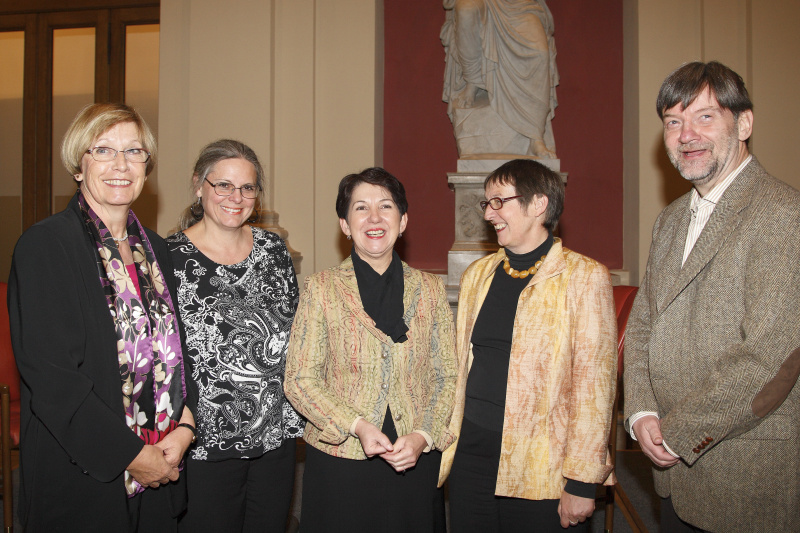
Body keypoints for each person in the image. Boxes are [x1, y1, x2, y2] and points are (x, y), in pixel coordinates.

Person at [623, 61, 800, 532]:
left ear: (743, 124)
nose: (687, 135)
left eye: (705, 117)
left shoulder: (782, 215)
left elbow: (771, 358)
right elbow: (644, 323)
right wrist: (641, 411)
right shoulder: (670, 218)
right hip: (675, 477)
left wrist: (677, 432)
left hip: (743, 470)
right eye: (673, 121)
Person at [8, 103, 196, 532]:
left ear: (147, 166)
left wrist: (185, 428)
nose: (121, 164)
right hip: (87, 470)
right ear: (78, 164)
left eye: (134, 152)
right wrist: (132, 456)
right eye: (104, 150)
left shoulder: (157, 250)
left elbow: (181, 353)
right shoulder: (45, 247)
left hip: (164, 461)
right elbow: (54, 379)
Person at [438, 159, 617, 532]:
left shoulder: (584, 277)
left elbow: (594, 389)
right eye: (486, 203)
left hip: (543, 463)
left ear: (539, 204)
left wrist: (582, 482)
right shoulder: (477, 276)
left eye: (499, 201)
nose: (489, 213)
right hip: (472, 453)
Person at [284, 167, 457, 533]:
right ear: (345, 225)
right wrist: (357, 425)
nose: (375, 218)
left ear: (403, 220)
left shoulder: (431, 290)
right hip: (342, 457)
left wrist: (424, 435)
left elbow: (448, 375)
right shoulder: (321, 289)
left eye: (386, 207)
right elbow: (300, 379)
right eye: (361, 208)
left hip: (413, 456)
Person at [166, 140, 303, 533]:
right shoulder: (167, 257)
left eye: (247, 187)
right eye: (223, 185)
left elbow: (293, 331)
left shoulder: (274, 250)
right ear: (199, 185)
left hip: (274, 439)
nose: (236, 197)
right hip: (202, 441)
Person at [441, 0, 558, 158]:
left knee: (539, 53)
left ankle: (535, 135)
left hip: (519, 6)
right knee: (467, 9)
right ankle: (473, 80)